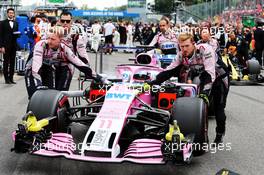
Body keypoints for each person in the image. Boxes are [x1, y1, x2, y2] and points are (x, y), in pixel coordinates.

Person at [24, 26, 105, 99]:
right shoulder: (41, 45)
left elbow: (80, 64)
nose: (49, 41)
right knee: (34, 97)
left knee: (50, 98)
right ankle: (31, 114)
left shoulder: (65, 49)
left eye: (52, 39)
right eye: (48, 38)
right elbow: (36, 66)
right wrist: (38, 84)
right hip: (32, 70)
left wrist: (99, 78)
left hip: (47, 69)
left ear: (61, 40)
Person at [57, 11, 93, 91]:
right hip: (52, 67)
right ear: (59, 21)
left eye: (68, 21)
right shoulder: (53, 33)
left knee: (61, 92)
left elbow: (83, 55)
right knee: (51, 94)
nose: (65, 23)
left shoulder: (76, 37)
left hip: (67, 66)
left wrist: (88, 70)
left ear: (71, 22)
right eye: (63, 21)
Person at [0, 8, 20, 84]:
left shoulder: (16, 23)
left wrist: (18, 35)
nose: (11, 14)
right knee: (6, 62)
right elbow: (0, 35)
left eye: (12, 13)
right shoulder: (2, 23)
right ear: (7, 14)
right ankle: (6, 79)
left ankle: (11, 78)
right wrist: (1, 46)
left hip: (13, 45)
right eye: (10, 13)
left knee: (12, 62)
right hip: (5, 46)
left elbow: (16, 34)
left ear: (14, 14)